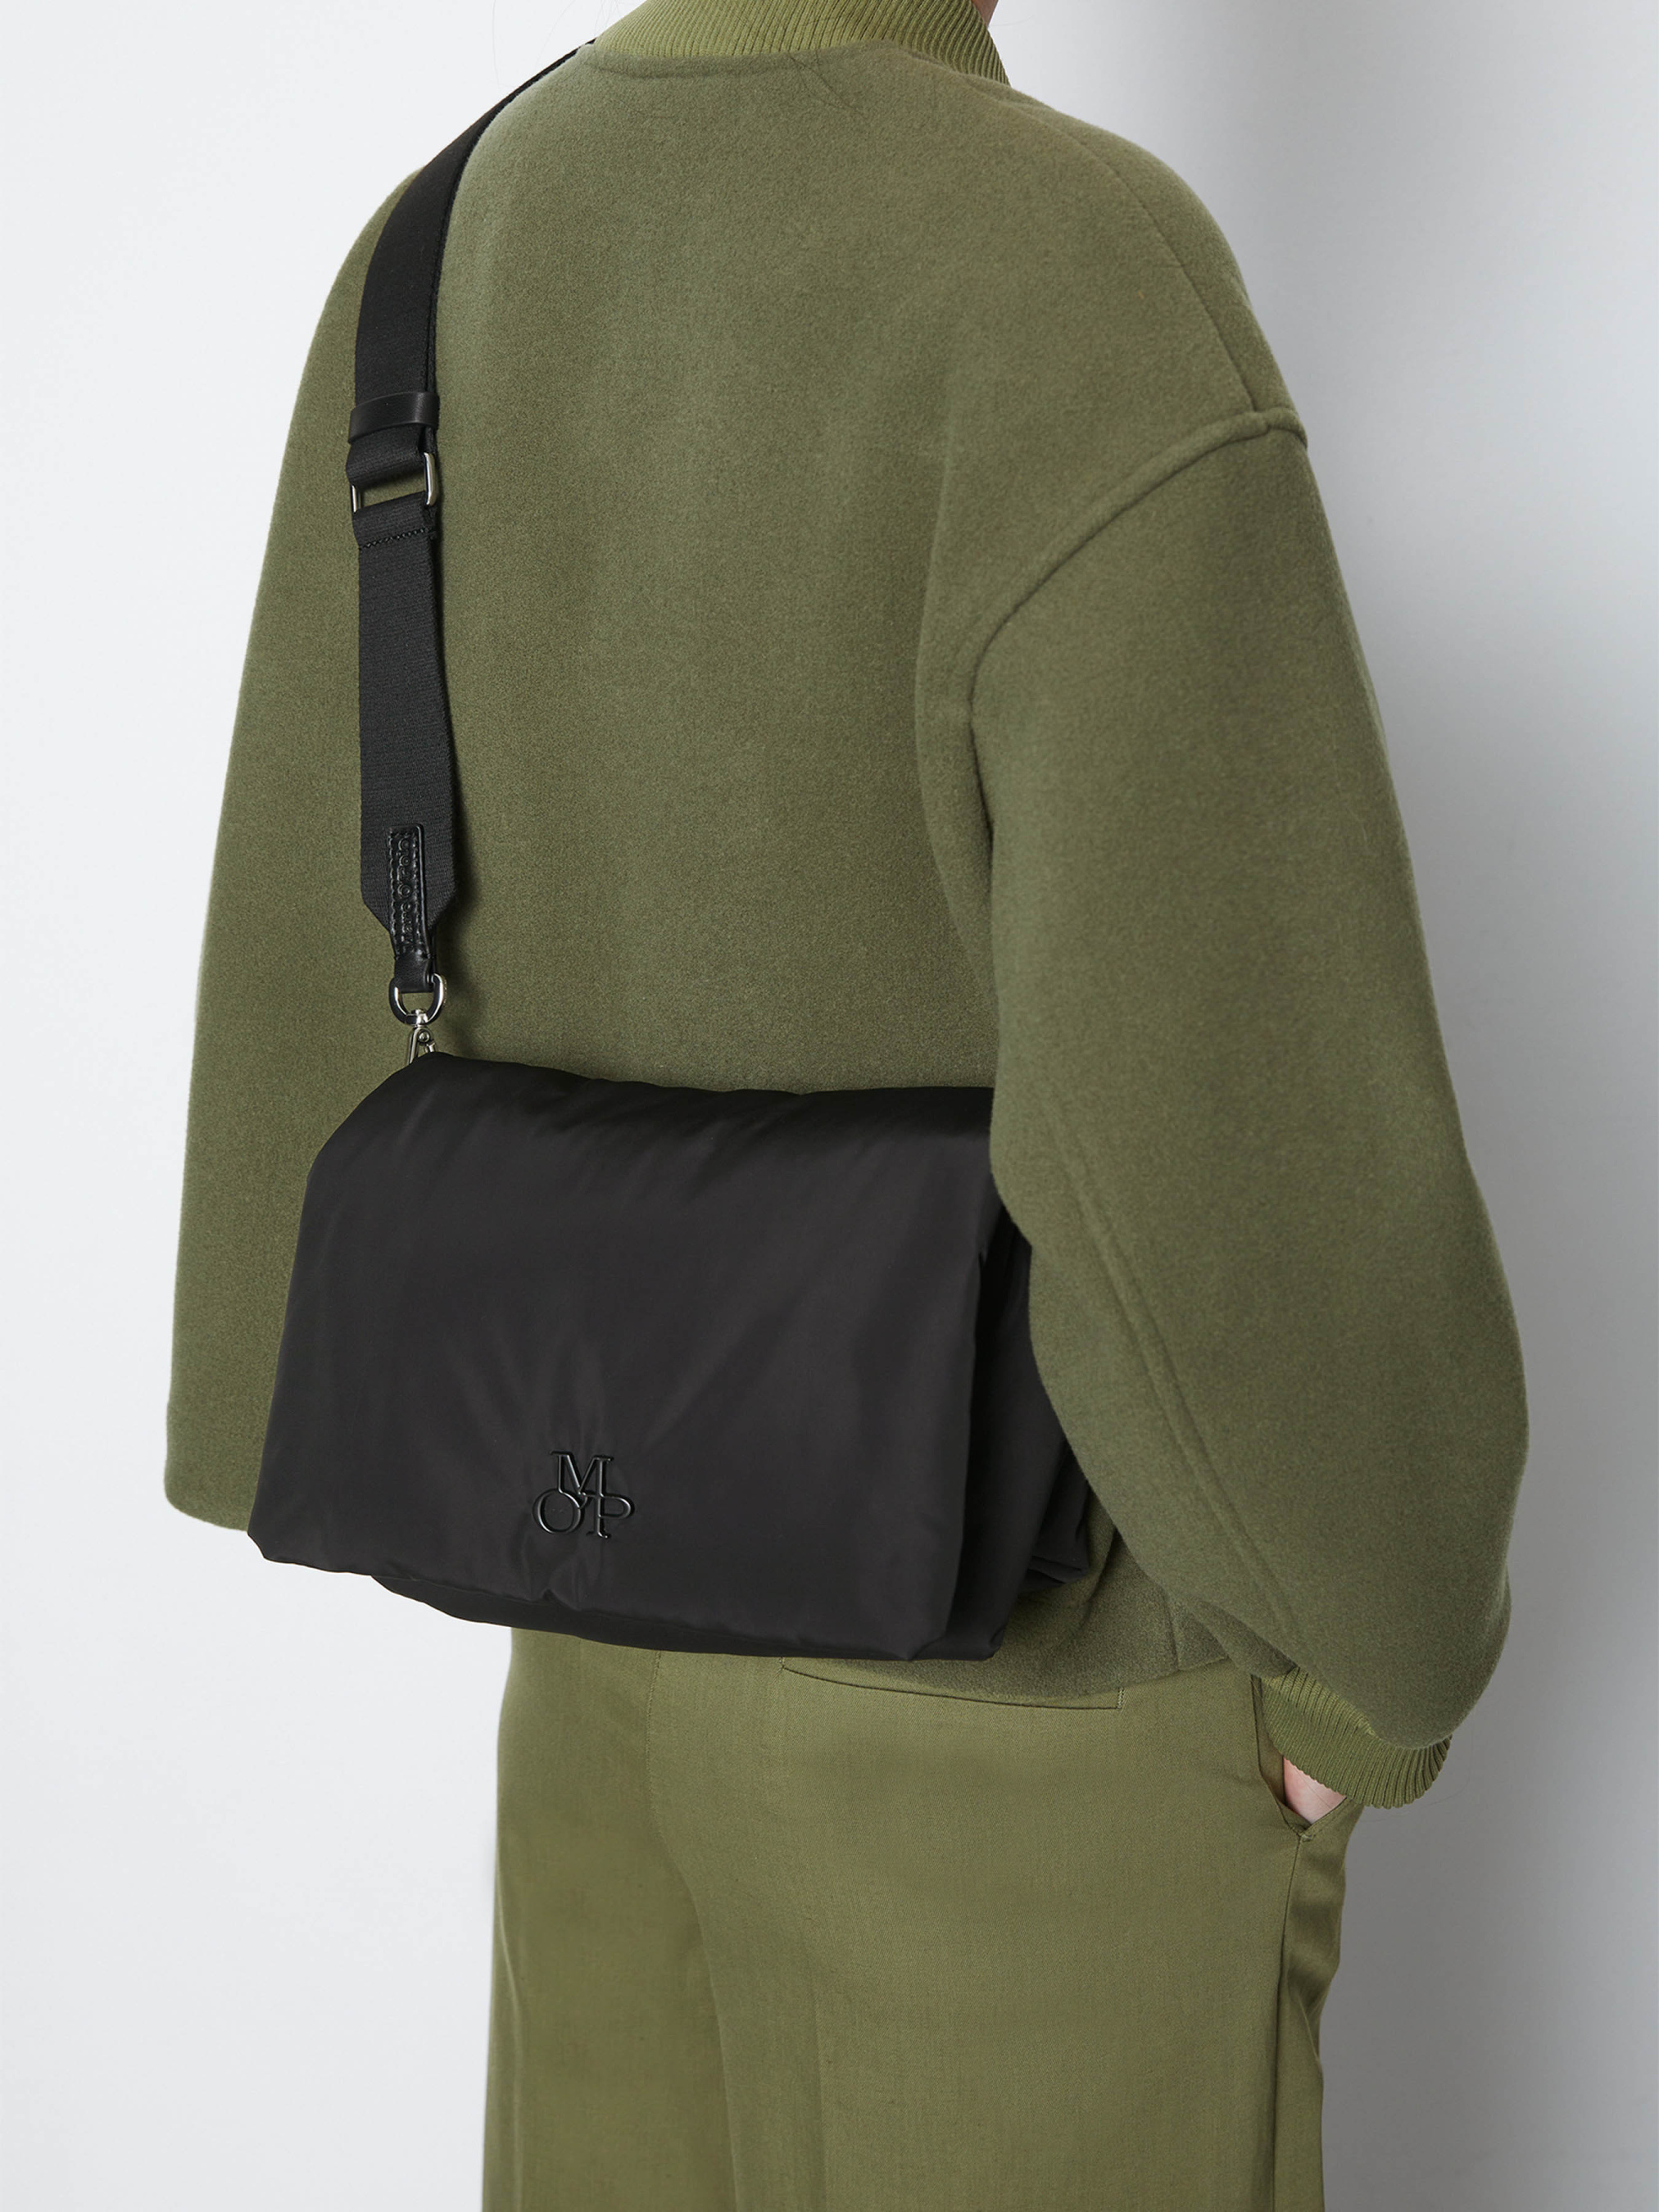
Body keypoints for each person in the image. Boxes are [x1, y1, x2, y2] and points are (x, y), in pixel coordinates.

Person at [163, 1, 1529, 2204]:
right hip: (1038, 1732)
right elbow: (1222, 1133)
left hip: (597, 1676)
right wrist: (1370, 1655)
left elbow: (314, 953)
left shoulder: (436, 243)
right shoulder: (1072, 270)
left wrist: (278, 1409)